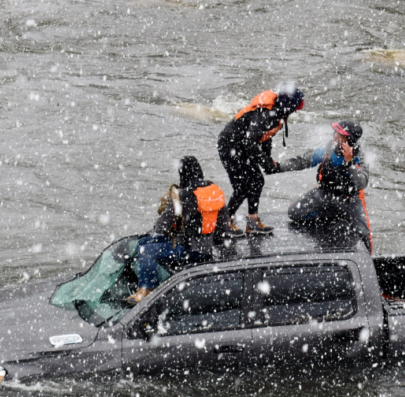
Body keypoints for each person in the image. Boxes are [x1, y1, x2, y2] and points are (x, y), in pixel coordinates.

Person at [127, 156, 230, 304]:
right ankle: (147, 285)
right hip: (205, 250)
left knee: (146, 250)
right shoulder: (214, 191)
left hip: (188, 250)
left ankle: (147, 291)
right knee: (144, 242)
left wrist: (172, 204)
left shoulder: (183, 195)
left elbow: (161, 227)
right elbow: (222, 229)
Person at [217, 84, 305, 237]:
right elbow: (249, 142)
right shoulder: (265, 114)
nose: (295, 111)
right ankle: (225, 222)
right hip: (229, 146)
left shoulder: (276, 112)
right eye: (296, 108)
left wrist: (268, 159)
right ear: (290, 106)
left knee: (257, 180)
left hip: (242, 147)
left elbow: (265, 138)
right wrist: (265, 162)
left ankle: (252, 221)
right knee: (242, 186)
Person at [277, 120, 372, 253]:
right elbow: (304, 160)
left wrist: (350, 162)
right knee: (294, 213)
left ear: (349, 139)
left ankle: (369, 264)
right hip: (324, 193)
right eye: (336, 133)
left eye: (340, 135)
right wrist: (278, 167)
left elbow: (362, 182)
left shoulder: (360, 156)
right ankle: (331, 215)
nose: (335, 136)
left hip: (349, 200)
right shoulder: (329, 148)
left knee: (364, 236)